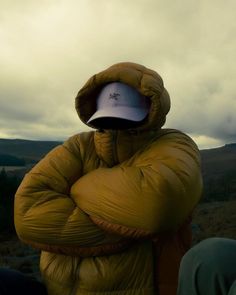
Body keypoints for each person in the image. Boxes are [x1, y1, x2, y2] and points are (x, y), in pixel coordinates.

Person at [13, 62, 203, 295]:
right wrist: (127, 226)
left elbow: (154, 205)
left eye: (125, 120)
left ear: (153, 112)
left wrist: (77, 189)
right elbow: (27, 213)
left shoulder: (174, 144)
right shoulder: (79, 145)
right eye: (107, 121)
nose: (115, 128)